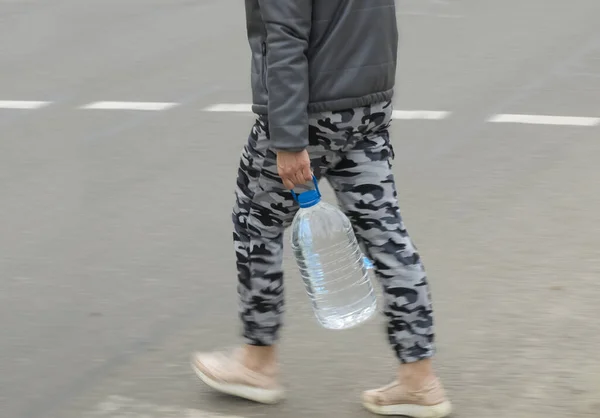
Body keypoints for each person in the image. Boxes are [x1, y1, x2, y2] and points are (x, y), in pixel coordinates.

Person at [191, 1, 452, 416]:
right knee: (385, 234)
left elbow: (286, 39)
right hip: (368, 102)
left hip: (313, 110)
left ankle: (257, 364)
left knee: (254, 225)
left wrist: (289, 140)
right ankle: (419, 379)